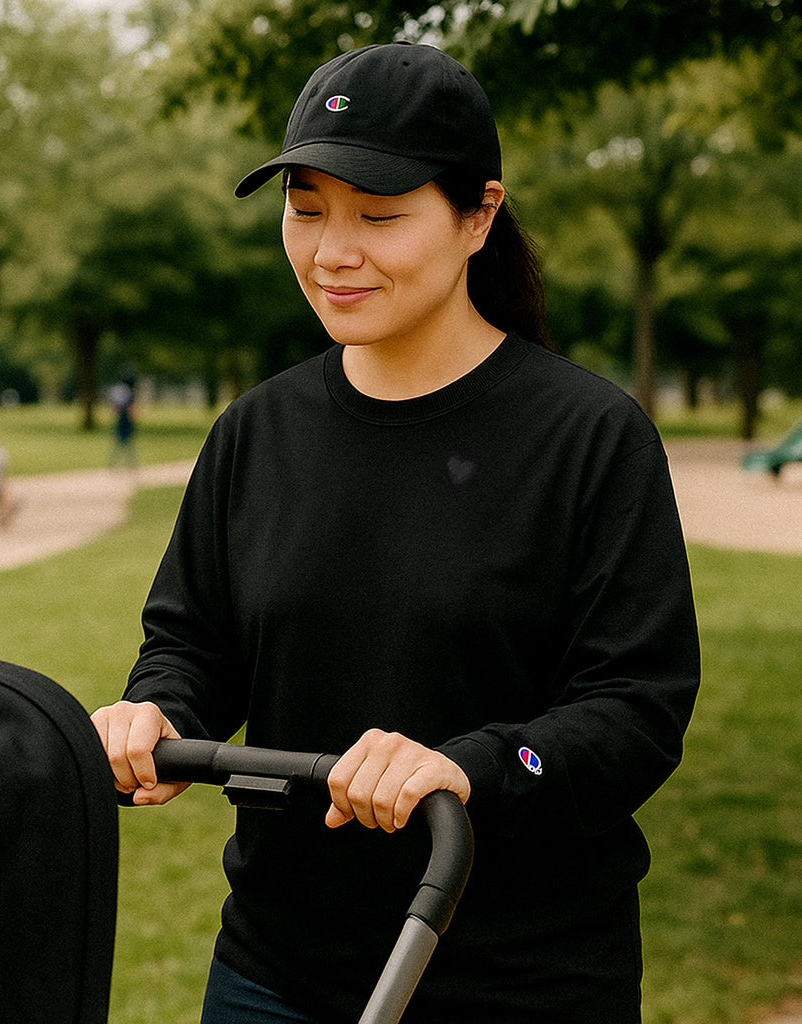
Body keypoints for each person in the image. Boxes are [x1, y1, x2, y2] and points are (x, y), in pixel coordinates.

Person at [92, 42, 699, 1024]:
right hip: (272, 976)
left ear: (478, 217)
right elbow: (191, 645)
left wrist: (475, 766)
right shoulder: (256, 432)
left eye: (378, 216)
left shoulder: (588, 436)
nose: (333, 251)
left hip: (521, 982)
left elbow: (634, 707)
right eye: (305, 210)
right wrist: (157, 713)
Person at [107, 380, 137, 468]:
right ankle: (131, 464)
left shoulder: (120, 392)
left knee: (120, 443)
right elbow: (131, 410)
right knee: (127, 444)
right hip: (126, 421)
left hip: (121, 420)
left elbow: (115, 407)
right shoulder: (129, 393)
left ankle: (113, 464)